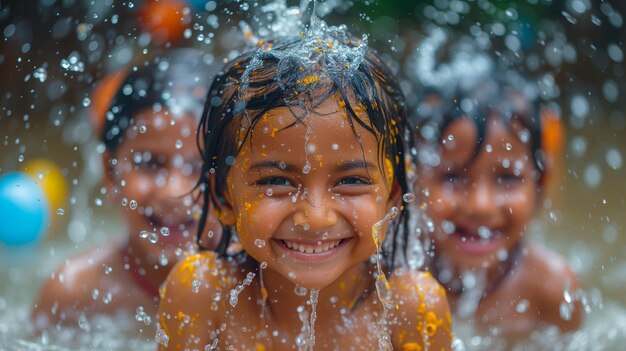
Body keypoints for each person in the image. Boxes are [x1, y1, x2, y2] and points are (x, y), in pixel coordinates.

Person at [157, 25, 453, 351]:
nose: (316, 218)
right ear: (224, 198)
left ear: (393, 196)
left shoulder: (411, 309)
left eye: (351, 181)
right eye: (277, 182)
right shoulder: (203, 293)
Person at [32, 48, 222, 330]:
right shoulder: (73, 294)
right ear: (110, 172)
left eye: (199, 166)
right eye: (150, 163)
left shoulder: (263, 282)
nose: (174, 190)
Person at [409, 33, 582, 339]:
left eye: (507, 178)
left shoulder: (550, 288)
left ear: (539, 185)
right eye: (453, 177)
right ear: (412, 181)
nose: (481, 205)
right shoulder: (390, 275)